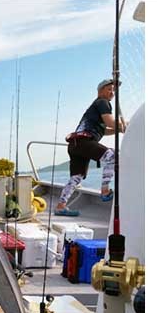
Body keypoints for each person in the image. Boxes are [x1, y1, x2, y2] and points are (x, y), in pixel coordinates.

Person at [55, 79, 127, 217]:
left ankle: (60, 206)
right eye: (109, 89)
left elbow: (104, 130)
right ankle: (105, 190)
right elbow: (111, 122)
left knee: (76, 177)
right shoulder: (102, 102)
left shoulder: (96, 108)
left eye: (113, 90)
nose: (112, 92)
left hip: (76, 144)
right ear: (100, 91)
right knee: (112, 156)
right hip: (84, 142)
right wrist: (125, 124)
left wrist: (119, 129)